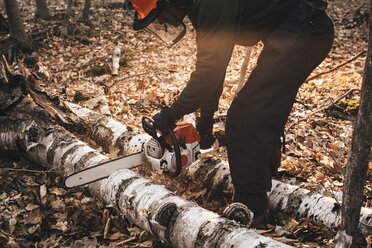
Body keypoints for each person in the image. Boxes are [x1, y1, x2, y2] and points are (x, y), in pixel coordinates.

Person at [129, 0, 334, 228]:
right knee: (258, 107)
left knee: (246, 115)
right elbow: (215, 66)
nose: (161, 21)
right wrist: (205, 122)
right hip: (291, 30)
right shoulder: (199, 8)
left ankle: (251, 209)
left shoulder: (210, 5)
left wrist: (171, 114)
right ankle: (263, 177)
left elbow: (209, 73)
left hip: (306, 28)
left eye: (159, 14)